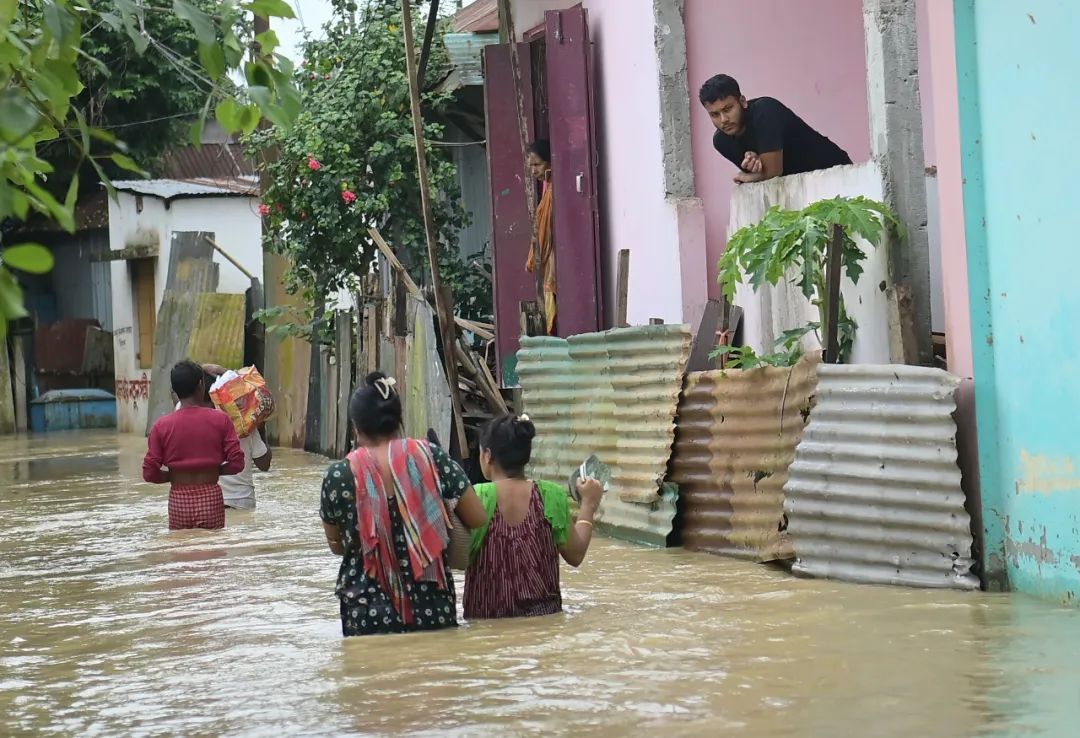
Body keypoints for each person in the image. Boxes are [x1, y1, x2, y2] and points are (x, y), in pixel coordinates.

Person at [319, 372, 487, 637]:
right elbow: (477, 517)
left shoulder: (338, 476)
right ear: (399, 420)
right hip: (431, 604)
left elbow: (337, 544)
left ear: (356, 427)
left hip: (365, 610)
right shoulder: (432, 458)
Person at [463, 414, 603, 620]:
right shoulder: (550, 495)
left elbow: (458, 557)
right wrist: (588, 504)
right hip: (544, 620)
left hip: (486, 621)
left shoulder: (476, 496)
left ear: (487, 455)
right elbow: (575, 555)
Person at [143, 360, 245, 530]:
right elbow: (237, 463)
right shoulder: (221, 420)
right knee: (213, 544)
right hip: (211, 499)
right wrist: (214, 470)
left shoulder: (161, 426)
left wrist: (172, 476)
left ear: (174, 390)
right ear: (200, 385)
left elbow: (149, 473)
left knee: (181, 545)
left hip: (179, 501)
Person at [699, 74, 851, 184]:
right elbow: (762, 175)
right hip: (796, 190)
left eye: (728, 109)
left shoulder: (765, 110)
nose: (723, 119)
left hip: (836, 175)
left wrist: (746, 176)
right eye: (714, 114)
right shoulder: (722, 141)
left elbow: (772, 172)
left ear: (743, 101)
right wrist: (754, 163)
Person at [199, 363, 272, 510]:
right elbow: (264, 464)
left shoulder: (188, 423)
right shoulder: (243, 424)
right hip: (242, 501)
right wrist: (259, 424)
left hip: (208, 504)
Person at [525, 139, 557, 335]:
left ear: (550, 162)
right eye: (531, 166)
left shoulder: (555, 190)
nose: (533, 170)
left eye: (537, 165)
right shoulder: (547, 188)